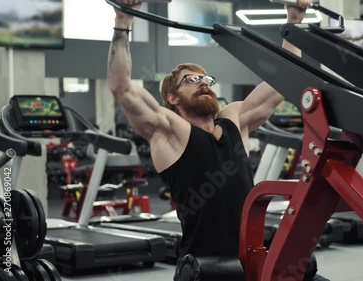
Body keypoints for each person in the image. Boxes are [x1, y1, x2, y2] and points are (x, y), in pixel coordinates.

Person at [107, 1, 329, 280]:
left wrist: (295, 19)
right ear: (173, 98)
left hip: (254, 260)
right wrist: (123, 20)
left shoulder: (233, 119)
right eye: (191, 80)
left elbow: (279, 83)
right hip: (207, 267)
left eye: (206, 79)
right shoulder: (170, 131)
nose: (203, 83)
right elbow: (122, 87)